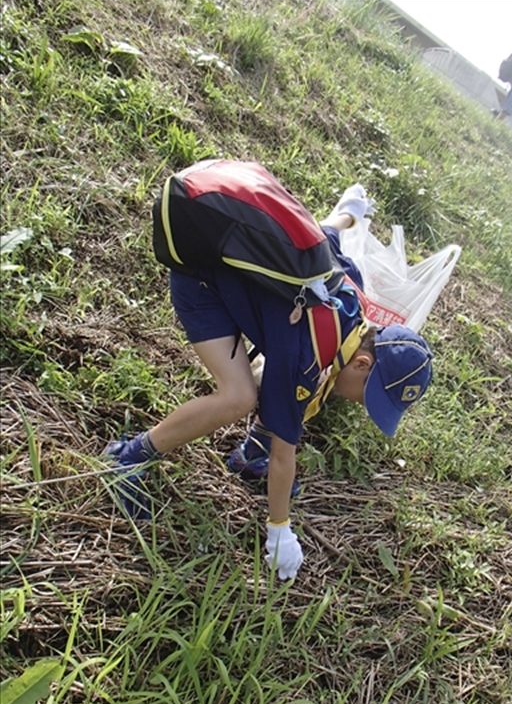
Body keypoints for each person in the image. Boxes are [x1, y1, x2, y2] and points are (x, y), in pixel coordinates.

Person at [105, 160, 434, 580]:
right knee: (238, 396)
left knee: (293, 386)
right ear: (364, 362)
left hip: (226, 271)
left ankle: (249, 457)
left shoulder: (353, 296)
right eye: (368, 395)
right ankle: (128, 460)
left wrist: (350, 210)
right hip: (201, 281)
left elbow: (326, 233)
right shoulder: (311, 353)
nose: (359, 403)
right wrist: (279, 529)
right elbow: (287, 455)